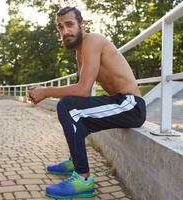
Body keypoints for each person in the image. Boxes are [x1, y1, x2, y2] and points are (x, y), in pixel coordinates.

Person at [28, 6, 146, 199]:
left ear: (82, 24)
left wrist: (46, 92)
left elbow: (82, 90)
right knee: (71, 108)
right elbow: (81, 93)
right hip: (118, 102)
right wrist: (43, 91)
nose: (65, 31)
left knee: (66, 106)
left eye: (69, 24)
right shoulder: (80, 52)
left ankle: (83, 179)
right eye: (60, 27)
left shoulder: (93, 40)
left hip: (131, 105)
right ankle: (76, 160)